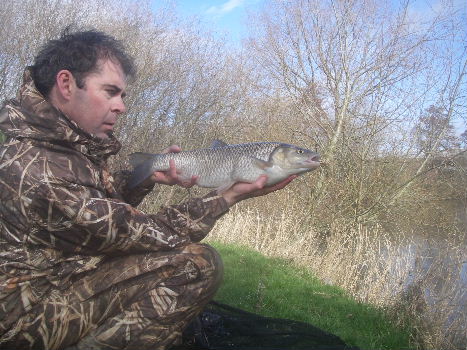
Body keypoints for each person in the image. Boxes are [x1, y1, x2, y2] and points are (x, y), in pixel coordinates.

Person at [0, 29, 295, 350]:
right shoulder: (40, 167)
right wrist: (228, 196)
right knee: (195, 265)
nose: (121, 107)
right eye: (111, 92)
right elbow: (142, 234)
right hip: (23, 322)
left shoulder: (58, 145)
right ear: (67, 84)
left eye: (122, 95)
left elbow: (94, 208)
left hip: (60, 277)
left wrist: (147, 177)